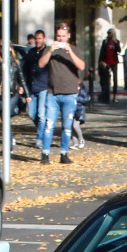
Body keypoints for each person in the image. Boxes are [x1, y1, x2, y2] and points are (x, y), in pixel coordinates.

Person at [37, 23, 86, 164]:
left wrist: (69, 51)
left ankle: (64, 153)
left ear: (69, 36)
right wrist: (50, 50)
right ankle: (45, 154)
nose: (61, 38)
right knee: (49, 125)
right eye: (58, 36)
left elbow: (81, 66)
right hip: (53, 93)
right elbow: (41, 64)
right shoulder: (49, 49)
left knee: (67, 125)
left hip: (70, 93)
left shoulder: (75, 50)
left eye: (63, 36)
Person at [21, 30, 50, 148]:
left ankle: (40, 138)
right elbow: (25, 69)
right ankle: (42, 131)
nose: (37, 41)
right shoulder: (31, 52)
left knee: (41, 114)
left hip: (43, 86)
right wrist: (22, 85)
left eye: (39, 38)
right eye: (36, 39)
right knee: (32, 114)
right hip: (32, 87)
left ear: (44, 39)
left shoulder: (47, 52)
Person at [98, 28, 121, 102]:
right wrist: (100, 61)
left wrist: (116, 43)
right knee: (106, 79)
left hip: (114, 62)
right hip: (106, 62)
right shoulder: (105, 42)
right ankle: (106, 95)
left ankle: (115, 96)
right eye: (108, 33)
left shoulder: (116, 42)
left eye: (110, 33)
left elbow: (119, 50)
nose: (109, 34)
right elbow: (102, 52)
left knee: (115, 79)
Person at [71, 82, 89, 149]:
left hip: (79, 110)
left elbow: (86, 99)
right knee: (72, 127)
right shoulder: (72, 89)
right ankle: (75, 143)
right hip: (73, 109)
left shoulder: (82, 90)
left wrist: (76, 99)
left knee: (75, 125)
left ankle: (81, 140)